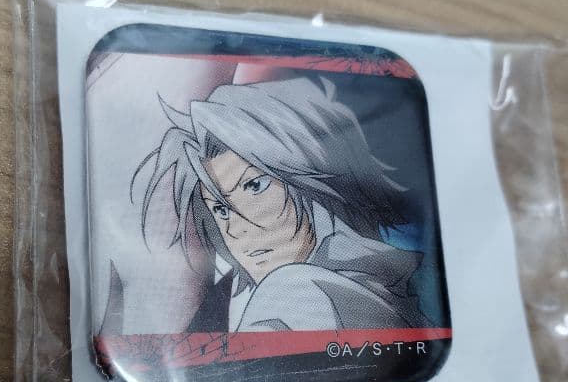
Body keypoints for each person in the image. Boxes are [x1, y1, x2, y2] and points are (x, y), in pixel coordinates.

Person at [134, 77, 423, 333]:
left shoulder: (293, 292)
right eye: (220, 209)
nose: (235, 229)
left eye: (254, 186)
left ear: (311, 174)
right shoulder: (387, 287)